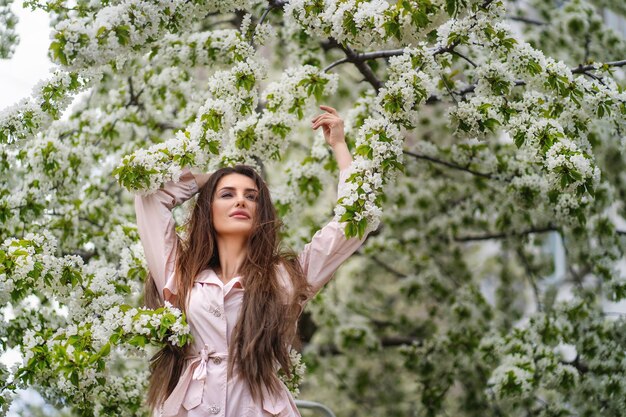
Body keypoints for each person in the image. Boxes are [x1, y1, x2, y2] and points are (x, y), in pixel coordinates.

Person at [135, 105, 371, 417]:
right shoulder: (181, 273)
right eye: (227, 195)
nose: (241, 201)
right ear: (208, 208)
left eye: (252, 196)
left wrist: (340, 146)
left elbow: (354, 225)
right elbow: (150, 196)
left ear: (262, 212)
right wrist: (212, 179)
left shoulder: (286, 277)